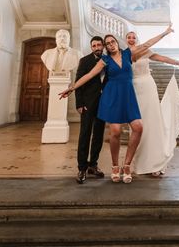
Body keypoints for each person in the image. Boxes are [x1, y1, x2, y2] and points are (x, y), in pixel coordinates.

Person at [60, 25, 173, 184]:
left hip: (128, 95)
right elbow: (89, 75)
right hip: (113, 96)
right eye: (107, 43)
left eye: (112, 41)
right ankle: (115, 166)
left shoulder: (128, 54)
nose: (111, 44)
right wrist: (71, 88)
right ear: (106, 47)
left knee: (138, 127)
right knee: (115, 132)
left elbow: (147, 44)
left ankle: (126, 165)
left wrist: (165, 33)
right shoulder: (105, 60)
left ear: (117, 43)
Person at [126, 31, 179, 176]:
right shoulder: (124, 54)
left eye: (133, 37)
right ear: (125, 40)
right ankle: (141, 162)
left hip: (148, 86)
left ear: (137, 39)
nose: (131, 39)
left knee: (153, 123)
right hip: (134, 89)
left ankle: (156, 163)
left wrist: (178, 63)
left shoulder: (146, 51)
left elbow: (162, 58)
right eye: (128, 37)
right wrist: (165, 33)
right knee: (138, 125)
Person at [73, 36, 107, 184]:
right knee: (85, 134)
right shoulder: (84, 61)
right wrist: (79, 103)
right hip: (87, 104)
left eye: (99, 45)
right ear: (91, 47)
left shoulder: (108, 60)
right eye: (94, 45)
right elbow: (78, 83)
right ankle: (82, 167)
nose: (97, 47)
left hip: (103, 104)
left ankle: (93, 164)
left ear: (103, 46)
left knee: (98, 135)